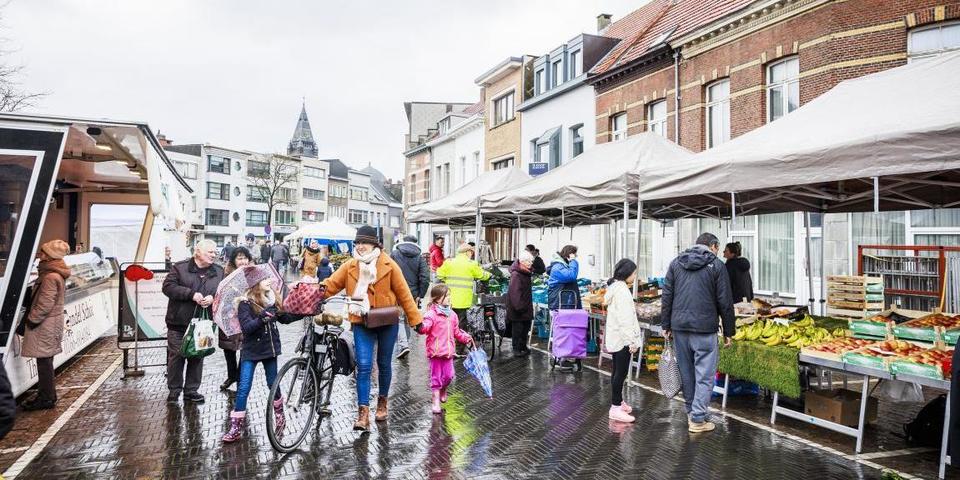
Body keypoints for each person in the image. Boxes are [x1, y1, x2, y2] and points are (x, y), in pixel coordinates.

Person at [321, 225, 423, 431]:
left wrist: (416, 320)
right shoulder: (350, 265)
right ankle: (363, 412)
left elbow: (404, 295)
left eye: (364, 243)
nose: (360, 247)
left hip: (387, 322)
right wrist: (313, 290)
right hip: (361, 322)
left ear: (374, 244)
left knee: (384, 364)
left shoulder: (390, 264)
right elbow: (331, 285)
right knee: (364, 366)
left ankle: (383, 402)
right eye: (357, 243)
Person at [661, 233, 735, 433]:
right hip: (704, 328)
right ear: (712, 246)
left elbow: (667, 295)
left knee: (687, 373)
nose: (717, 252)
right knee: (704, 374)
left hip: (679, 328)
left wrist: (665, 324)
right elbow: (725, 301)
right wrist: (729, 330)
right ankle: (698, 418)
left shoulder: (676, 263)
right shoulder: (717, 266)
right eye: (717, 248)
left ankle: (691, 412)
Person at [222, 278, 300, 442]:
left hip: (270, 349)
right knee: (244, 387)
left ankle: (279, 415)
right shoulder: (245, 302)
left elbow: (285, 319)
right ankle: (236, 426)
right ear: (255, 283)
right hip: (251, 351)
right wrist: (262, 318)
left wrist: (306, 312)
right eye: (264, 279)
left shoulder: (272, 298)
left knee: (273, 383)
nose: (268, 281)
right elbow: (247, 328)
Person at [162, 239, 224, 404]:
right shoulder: (180, 268)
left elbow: (223, 291)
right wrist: (190, 294)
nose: (214, 255)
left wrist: (213, 298)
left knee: (197, 356)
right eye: (210, 252)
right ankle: (174, 391)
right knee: (177, 356)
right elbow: (167, 287)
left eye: (214, 252)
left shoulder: (219, 271)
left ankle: (191, 391)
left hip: (203, 323)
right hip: (179, 322)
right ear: (197, 251)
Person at [21, 239, 71, 410]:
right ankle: (47, 395)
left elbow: (45, 303)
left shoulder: (50, 276)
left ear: (50, 257)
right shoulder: (54, 274)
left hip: (45, 325)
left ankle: (46, 397)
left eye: (43, 253)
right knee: (45, 362)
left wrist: (31, 320)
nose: (39, 256)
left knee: (44, 363)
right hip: (50, 323)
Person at [418, 284, 473, 414]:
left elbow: (456, 331)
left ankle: (443, 390)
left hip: (448, 352)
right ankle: (435, 400)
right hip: (436, 352)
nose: (449, 298)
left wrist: (465, 337)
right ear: (437, 299)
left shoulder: (452, 315)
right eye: (446, 295)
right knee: (436, 378)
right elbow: (425, 328)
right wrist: (420, 326)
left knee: (449, 376)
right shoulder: (431, 314)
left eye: (449, 295)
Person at [604, 259, 643, 423]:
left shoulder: (615, 288)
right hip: (622, 340)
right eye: (634, 273)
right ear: (627, 273)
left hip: (616, 338)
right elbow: (625, 320)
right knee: (621, 373)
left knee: (617, 371)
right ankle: (615, 407)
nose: (635, 276)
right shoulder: (622, 292)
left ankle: (619, 401)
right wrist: (632, 341)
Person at [436, 243, 490, 353]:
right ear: (467, 252)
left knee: (448, 323)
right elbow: (481, 275)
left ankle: (446, 346)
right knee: (461, 324)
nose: (472, 254)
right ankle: (459, 349)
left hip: (449, 299)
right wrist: (489, 275)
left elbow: (439, 274)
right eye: (471, 252)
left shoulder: (449, 262)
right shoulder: (471, 264)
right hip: (464, 300)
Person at [391, 235, 430, 360]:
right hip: (412, 294)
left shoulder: (394, 254)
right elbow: (425, 278)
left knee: (400, 318)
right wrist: (420, 295)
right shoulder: (420, 258)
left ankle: (403, 345)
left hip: (395, 292)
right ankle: (405, 343)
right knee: (407, 318)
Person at [219, 247, 252, 392]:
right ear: (233, 260)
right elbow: (220, 294)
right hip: (229, 315)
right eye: (239, 258)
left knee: (245, 348)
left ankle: (239, 377)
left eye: (245, 258)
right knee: (229, 348)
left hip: (246, 315)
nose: (243, 261)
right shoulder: (226, 274)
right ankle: (231, 375)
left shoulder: (252, 273)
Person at [506, 250, 535, 356]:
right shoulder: (516, 274)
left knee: (525, 328)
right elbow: (515, 293)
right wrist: (520, 307)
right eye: (529, 261)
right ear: (522, 262)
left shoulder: (525, 272)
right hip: (519, 308)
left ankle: (523, 346)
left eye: (531, 261)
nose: (531, 263)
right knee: (518, 329)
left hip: (525, 306)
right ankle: (516, 349)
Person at [547, 245, 582, 310]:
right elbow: (571, 276)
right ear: (568, 255)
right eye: (574, 255)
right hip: (561, 305)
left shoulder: (563, 266)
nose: (575, 257)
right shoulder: (558, 267)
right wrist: (573, 260)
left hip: (565, 304)